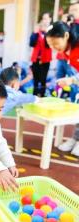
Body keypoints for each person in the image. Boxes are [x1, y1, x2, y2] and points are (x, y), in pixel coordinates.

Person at [46, 21, 79, 156]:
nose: (54, 47)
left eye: (55, 43)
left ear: (66, 35)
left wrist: (72, 80)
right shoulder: (67, 50)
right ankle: (75, 138)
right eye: (50, 45)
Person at [30, 12, 52, 97]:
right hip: (36, 59)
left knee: (43, 80)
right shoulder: (37, 32)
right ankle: (34, 98)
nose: (44, 21)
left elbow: (48, 45)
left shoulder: (51, 31)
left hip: (45, 60)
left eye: (46, 18)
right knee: (35, 80)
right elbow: (31, 43)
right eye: (43, 18)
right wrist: (35, 33)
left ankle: (42, 97)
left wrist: (46, 33)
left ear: (50, 19)